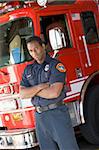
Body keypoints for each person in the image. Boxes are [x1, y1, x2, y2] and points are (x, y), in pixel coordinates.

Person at [20, 36, 79, 150]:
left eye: (36, 48)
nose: (34, 53)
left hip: (57, 114)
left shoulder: (56, 65)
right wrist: (40, 87)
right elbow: (22, 94)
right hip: (40, 117)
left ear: (43, 46)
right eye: (31, 51)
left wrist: (32, 91)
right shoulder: (29, 69)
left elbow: (54, 92)